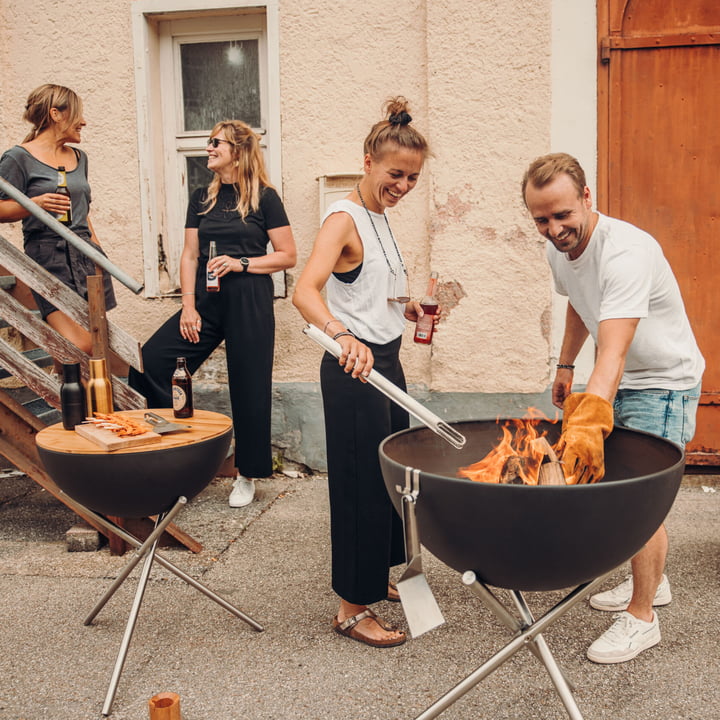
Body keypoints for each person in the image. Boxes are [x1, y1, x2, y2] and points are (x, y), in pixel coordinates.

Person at [522, 152, 704, 664]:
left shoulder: (626, 251)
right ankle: (654, 582)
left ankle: (643, 618)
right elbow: (582, 303)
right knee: (625, 490)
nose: (555, 229)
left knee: (638, 501)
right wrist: (564, 367)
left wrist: (583, 427)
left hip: (663, 381)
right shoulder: (559, 251)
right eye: (541, 219)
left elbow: (617, 349)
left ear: (587, 198)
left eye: (562, 215)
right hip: (621, 378)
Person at [292, 97, 437, 648]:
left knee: (393, 481)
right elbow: (306, 292)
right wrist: (343, 337)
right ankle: (352, 609)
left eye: (413, 178)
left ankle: (376, 573)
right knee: (358, 486)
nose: (403, 185)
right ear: (368, 162)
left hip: (389, 360)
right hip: (354, 368)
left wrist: (412, 308)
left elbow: (370, 290)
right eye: (396, 174)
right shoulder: (343, 216)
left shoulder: (379, 216)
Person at [129, 120, 296, 507]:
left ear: (237, 151)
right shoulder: (201, 197)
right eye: (208, 142)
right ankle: (171, 451)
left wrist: (242, 262)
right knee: (153, 361)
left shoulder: (264, 198)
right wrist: (188, 306)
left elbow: (287, 255)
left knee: (249, 386)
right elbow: (190, 255)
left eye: (215, 143)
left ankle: (248, 474)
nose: (208, 148)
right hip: (207, 298)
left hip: (250, 297)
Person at [0, 84, 117, 357]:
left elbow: (82, 212)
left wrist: (99, 254)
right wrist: (33, 205)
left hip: (86, 254)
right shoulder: (18, 158)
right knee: (80, 343)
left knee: (99, 342)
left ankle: (76, 394)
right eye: (78, 114)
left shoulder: (79, 157)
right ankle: (64, 385)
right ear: (56, 114)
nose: (84, 122)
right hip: (49, 255)